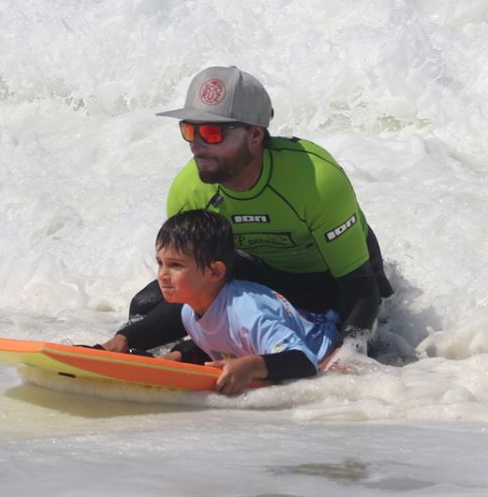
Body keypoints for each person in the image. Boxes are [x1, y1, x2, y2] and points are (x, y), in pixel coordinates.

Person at [102, 66, 393, 357]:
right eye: (189, 130)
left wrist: (346, 354)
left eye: (212, 133)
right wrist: (126, 337)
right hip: (263, 277)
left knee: (351, 339)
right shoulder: (189, 191)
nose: (196, 146)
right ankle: (142, 351)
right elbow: (196, 283)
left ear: (255, 134)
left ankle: (190, 353)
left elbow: (360, 288)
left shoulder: (316, 182)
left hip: (336, 285)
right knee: (145, 308)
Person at [155, 209, 340, 395]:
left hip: (332, 349)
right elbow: (224, 342)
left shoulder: (249, 313)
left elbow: (305, 360)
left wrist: (251, 366)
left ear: (214, 272)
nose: (162, 275)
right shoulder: (188, 312)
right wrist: (179, 357)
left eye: (175, 265)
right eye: (160, 263)